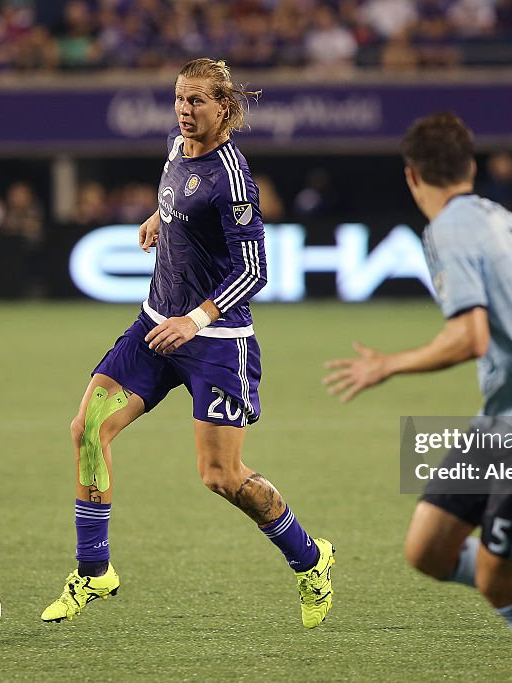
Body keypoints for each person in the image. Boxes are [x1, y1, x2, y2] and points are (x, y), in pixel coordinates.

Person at [41, 58, 336, 629]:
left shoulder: (235, 178)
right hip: (155, 326)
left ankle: (310, 558)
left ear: (224, 107)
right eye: (180, 98)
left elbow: (256, 271)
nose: (185, 109)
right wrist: (162, 216)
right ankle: (94, 570)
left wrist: (195, 321)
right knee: (88, 429)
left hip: (217, 341)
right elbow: (184, 195)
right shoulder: (179, 148)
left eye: (198, 100)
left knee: (220, 477)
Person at [323, 112, 512, 682]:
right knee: (428, 549)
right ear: (471, 168)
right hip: (503, 423)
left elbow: (469, 336)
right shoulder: (503, 219)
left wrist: (389, 365)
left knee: (500, 582)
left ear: (412, 177)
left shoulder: (447, 232)